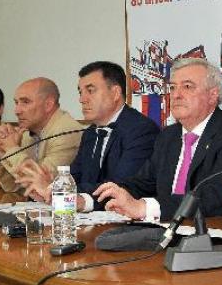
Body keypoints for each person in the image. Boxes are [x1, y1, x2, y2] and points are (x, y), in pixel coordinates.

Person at [94, 58, 222, 221]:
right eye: (172, 87)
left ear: (213, 95)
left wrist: (144, 208)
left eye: (187, 86)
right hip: (163, 229)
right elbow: (142, 183)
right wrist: (104, 197)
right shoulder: (168, 136)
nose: (176, 95)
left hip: (208, 234)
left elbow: (216, 197)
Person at [18, 62, 159, 210]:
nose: (82, 99)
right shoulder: (90, 132)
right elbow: (75, 175)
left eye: (90, 91)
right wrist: (51, 187)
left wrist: (58, 190)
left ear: (115, 93)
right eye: (80, 92)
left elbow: (121, 185)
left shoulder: (140, 130)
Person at [0, 78, 82, 193]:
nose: (17, 110)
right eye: (16, 102)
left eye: (25, 102)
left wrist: (11, 149)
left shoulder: (67, 132)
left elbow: (39, 184)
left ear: (48, 105)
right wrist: (3, 148)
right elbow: (12, 187)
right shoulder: (26, 133)